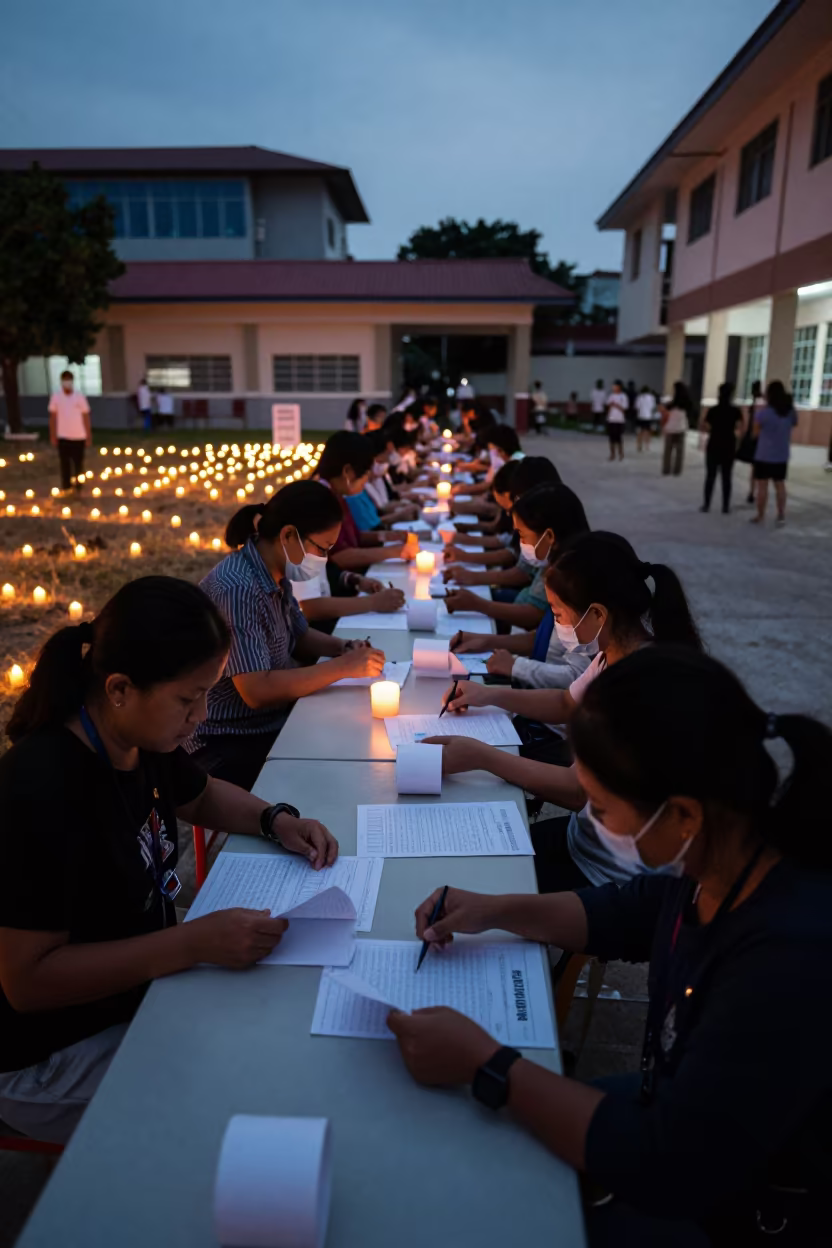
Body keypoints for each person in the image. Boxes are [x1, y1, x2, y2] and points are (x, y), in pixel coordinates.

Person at [392, 647, 832, 1247]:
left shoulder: (787, 959)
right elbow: (633, 912)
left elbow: (671, 1160)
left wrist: (485, 1063)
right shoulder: (720, 862)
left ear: (681, 814)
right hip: (677, 1107)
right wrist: (496, 908)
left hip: (745, 1206)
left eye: (600, 808)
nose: (594, 825)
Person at [0, 577, 339, 1143]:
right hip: (46, 1053)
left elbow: (201, 794)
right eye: (189, 698)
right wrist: (192, 942)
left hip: (136, 992)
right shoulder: (39, 788)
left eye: (207, 693)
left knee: (279, 1029)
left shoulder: (138, 740)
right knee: (242, 1087)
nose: (201, 716)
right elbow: (27, 982)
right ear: (119, 689)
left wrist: (277, 819)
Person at [430, 531, 701, 892]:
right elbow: (566, 703)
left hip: (608, 876)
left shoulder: (640, 687)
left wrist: (481, 756)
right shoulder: (614, 654)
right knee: (460, 850)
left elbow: (577, 791)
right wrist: (488, 695)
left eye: (558, 614)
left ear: (598, 614)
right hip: (581, 838)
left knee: (476, 879)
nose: (557, 625)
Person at [186, 483, 386, 789]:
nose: (325, 558)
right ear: (289, 535)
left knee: (351, 736)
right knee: (336, 771)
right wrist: (343, 668)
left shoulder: (276, 572)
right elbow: (257, 691)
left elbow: (300, 634)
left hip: (267, 722)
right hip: (224, 740)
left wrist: (344, 648)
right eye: (323, 548)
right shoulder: (238, 588)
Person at [443, 483, 590, 636]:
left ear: (549, 536)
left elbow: (535, 618)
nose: (521, 543)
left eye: (522, 535)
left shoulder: (564, 576)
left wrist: (477, 603)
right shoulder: (552, 558)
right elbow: (540, 640)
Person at [314, 432, 415, 573]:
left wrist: (388, 536)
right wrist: (395, 552)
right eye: (366, 472)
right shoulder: (320, 501)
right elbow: (339, 556)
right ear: (347, 471)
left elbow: (354, 537)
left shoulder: (337, 494)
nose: (367, 479)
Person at [751, 380, 798, 526]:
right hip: (781, 454)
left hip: (764, 454)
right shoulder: (790, 412)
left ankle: (760, 515)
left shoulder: (763, 413)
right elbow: (794, 424)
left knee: (762, 486)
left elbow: (755, 433)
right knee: (780, 485)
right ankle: (781, 515)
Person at [700, 382, 743, 514]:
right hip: (729, 444)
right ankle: (725, 506)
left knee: (710, 476)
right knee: (727, 477)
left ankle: (706, 505)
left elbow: (705, 427)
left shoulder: (713, 410)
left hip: (714, 444)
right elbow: (740, 427)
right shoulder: (736, 411)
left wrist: (714, 428)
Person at [49, 369, 91, 494]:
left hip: (79, 436)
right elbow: (53, 417)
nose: (67, 383)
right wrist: (53, 434)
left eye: (69, 380)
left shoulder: (79, 397)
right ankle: (66, 486)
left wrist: (88, 435)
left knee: (78, 463)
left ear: (72, 381)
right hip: (63, 436)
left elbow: (85, 416)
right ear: (61, 382)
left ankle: (79, 485)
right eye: (65, 380)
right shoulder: (56, 397)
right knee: (65, 463)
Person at [736, 380, 766, 502]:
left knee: (754, 468)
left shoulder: (754, 402)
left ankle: (752, 492)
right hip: (761, 437)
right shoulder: (763, 402)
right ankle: (758, 492)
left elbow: (751, 422)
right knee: (760, 467)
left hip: (753, 436)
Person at [659, 381, 693, 476]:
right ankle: (677, 470)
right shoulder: (688, 403)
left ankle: (666, 469)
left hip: (670, 428)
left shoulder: (671, 403)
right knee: (680, 452)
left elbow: (664, 411)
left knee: (668, 451)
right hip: (681, 428)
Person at [605, 381, 627, 462]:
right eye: (613, 387)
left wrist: (616, 405)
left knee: (619, 437)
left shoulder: (623, 396)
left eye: (615, 386)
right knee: (611, 437)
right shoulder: (611, 395)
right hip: (611, 419)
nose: (614, 388)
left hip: (619, 420)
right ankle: (612, 454)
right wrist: (610, 406)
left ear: (619, 387)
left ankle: (621, 453)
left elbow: (624, 408)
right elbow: (608, 406)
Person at [634, 386, 656, 452]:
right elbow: (653, 407)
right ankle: (647, 446)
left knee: (640, 432)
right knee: (648, 432)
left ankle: (639, 446)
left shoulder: (639, 397)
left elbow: (636, 407)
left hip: (640, 416)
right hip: (648, 417)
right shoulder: (652, 397)